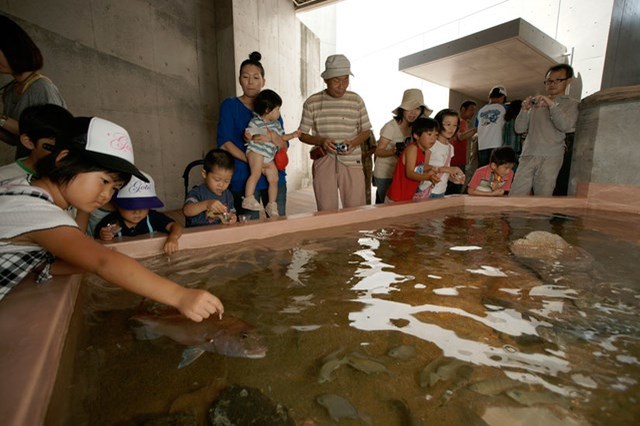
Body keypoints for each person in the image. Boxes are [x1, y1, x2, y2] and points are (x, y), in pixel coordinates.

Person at [0, 116, 223, 321]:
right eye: (104, 181)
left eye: (115, 187)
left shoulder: (30, 191)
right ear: (63, 159)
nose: (107, 195)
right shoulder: (34, 208)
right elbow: (102, 262)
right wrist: (180, 296)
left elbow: (43, 264)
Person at [217, 52, 287, 219]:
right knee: (249, 228)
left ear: (263, 81)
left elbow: (283, 144)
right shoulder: (230, 105)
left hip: (274, 176)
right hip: (243, 175)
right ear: (239, 79)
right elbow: (225, 143)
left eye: (256, 77)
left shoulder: (271, 108)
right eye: (245, 77)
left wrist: (273, 140)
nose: (250, 82)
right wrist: (256, 162)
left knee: (279, 225)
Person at [298, 54, 372, 211]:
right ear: (326, 80)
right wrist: (321, 141)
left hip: (352, 161)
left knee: (356, 211)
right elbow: (302, 134)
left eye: (345, 79)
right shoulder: (312, 102)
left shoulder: (356, 100)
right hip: (324, 160)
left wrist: (353, 143)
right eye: (336, 80)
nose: (342, 85)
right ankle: (328, 237)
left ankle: (353, 237)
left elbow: (366, 131)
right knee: (326, 211)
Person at [0, 15, 66, 158]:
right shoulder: (9, 91)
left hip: (46, 170)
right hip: (25, 166)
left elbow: (50, 136)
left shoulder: (41, 87)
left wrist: (2, 120)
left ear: (13, 49)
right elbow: (16, 140)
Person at [509, 64, 580, 197]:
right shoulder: (536, 103)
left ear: (568, 81)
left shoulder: (572, 104)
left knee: (543, 197)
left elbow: (565, 126)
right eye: (548, 81)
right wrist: (524, 110)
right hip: (528, 154)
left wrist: (551, 105)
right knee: (515, 195)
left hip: (551, 157)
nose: (552, 84)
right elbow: (519, 129)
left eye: (557, 80)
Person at [242, 89, 299, 218]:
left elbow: (281, 138)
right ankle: (248, 198)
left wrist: (293, 135)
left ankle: (271, 204)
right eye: (278, 109)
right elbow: (248, 135)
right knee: (255, 173)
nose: (279, 112)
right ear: (268, 110)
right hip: (256, 152)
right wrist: (247, 137)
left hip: (268, 157)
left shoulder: (277, 125)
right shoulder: (256, 121)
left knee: (274, 178)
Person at [95, 172, 183, 255]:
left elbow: (176, 226)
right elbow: (97, 243)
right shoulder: (110, 222)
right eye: (131, 207)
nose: (137, 212)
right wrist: (104, 236)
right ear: (118, 205)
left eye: (143, 207)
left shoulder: (153, 218)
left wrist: (173, 238)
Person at [373, 88, 432, 204]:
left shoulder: (415, 128)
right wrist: (394, 151)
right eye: (409, 108)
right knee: (388, 206)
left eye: (417, 109)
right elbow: (378, 151)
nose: (413, 113)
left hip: (402, 173)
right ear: (402, 109)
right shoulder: (391, 126)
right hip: (386, 173)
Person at [0, 103, 73, 182]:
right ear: (28, 142)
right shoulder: (4, 178)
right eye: (54, 146)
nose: (64, 152)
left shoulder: (70, 175)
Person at [385, 117, 439, 203]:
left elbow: (418, 168)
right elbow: (410, 173)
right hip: (396, 197)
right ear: (416, 135)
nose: (433, 138)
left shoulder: (421, 151)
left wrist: (430, 168)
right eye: (429, 134)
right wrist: (428, 177)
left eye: (436, 135)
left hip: (406, 197)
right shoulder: (412, 148)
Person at [415, 109, 465, 199]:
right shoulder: (431, 144)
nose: (451, 129)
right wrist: (449, 169)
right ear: (438, 124)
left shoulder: (450, 148)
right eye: (448, 124)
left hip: (441, 192)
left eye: (455, 125)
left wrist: (453, 179)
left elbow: (444, 173)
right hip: (427, 190)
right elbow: (422, 167)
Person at [183, 149, 238, 227]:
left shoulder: (228, 195)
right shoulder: (197, 192)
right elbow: (186, 211)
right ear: (204, 174)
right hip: (198, 234)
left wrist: (232, 217)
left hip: (219, 233)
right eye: (217, 180)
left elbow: (232, 212)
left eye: (227, 181)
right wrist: (206, 204)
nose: (221, 185)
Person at [446, 100, 477, 194]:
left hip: (459, 161)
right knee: (454, 190)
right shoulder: (461, 122)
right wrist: (477, 129)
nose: (473, 113)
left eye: (474, 110)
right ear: (463, 109)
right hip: (456, 161)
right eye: (471, 109)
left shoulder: (465, 123)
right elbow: (461, 137)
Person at [475, 86, 507, 167]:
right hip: (497, 145)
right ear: (503, 97)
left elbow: (476, 127)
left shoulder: (480, 111)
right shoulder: (504, 108)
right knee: (496, 170)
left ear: (489, 97)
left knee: (483, 171)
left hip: (482, 146)